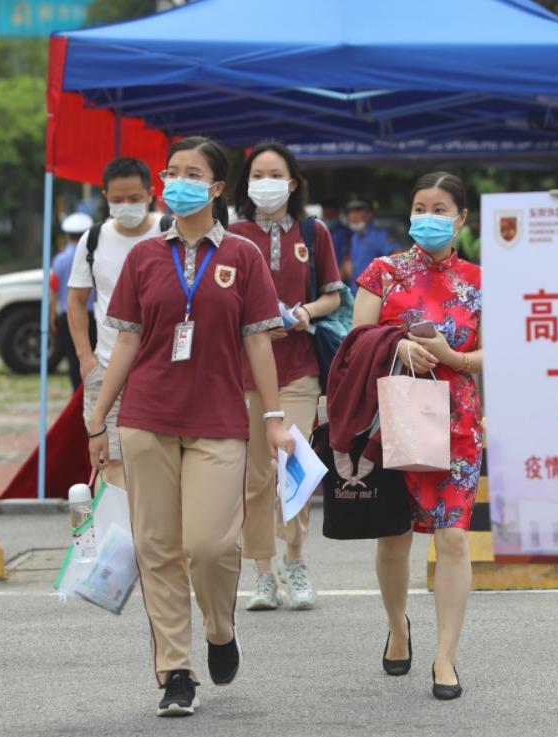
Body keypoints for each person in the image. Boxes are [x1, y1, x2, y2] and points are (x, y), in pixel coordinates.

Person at [87, 136, 292, 717]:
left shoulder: (243, 257)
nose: (177, 182)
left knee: (210, 545)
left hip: (218, 420)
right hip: (146, 418)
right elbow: (126, 343)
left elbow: (259, 343)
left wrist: (275, 417)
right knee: (156, 548)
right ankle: (175, 670)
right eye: (171, 172)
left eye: (192, 174)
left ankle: (220, 629)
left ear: (217, 188)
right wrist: (100, 418)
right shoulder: (143, 257)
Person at [351, 172, 482, 700]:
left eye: (440, 208)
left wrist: (455, 358)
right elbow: (356, 341)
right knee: (394, 536)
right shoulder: (382, 272)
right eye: (420, 207)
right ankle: (398, 626)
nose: (428, 217)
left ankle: (446, 656)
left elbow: (499, 350)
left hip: (457, 422)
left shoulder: (480, 280)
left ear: (461, 218)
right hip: (394, 418)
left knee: (453, 538)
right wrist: (397, 347)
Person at [229, 141, 343, 612]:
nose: (266, 183)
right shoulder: (231, 236)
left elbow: (334, 295)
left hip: (299, 368)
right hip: (244, 373)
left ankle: (294, 560)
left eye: (275, 175)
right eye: (257, 175)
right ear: (245, 184)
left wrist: (304, 313)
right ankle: (262, 572)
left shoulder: (313, 232)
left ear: (293, 183)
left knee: (293, 467)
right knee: (255, 476)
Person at [68, 158, 163, 490]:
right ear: (105, 197)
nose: (126, 206)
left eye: (134, 198)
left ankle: (152, 523)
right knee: (111, 463)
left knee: (160, 460)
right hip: (107, 367)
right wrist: (85, 358)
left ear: (150, 194)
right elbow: (76, 300)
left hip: (163, 368)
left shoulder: (169, 231)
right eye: (118, 199)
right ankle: (116, 524)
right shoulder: (93, 240)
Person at [50, 212, 94, 390]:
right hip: (94, 315)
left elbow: (54, 288)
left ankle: (77, 394)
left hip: (68, 316)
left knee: (74, 356)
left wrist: (51, 313)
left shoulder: (60, 260)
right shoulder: (94, 255)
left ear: (67, 235)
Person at [343, 200, 396, 291]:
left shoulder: (379, 235)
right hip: (355, 291)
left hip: (373, 292)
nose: (353, 216)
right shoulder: (354, 237)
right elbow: (349, 259)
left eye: (358, 211)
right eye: (350, 212)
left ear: (369, 214)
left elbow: (396, 255)